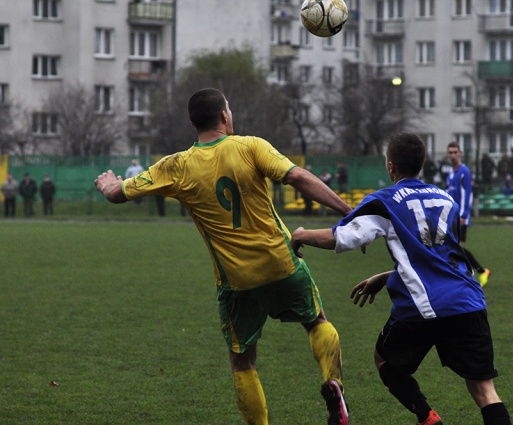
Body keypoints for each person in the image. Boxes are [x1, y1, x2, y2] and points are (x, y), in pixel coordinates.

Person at [94, 88, 352, 425]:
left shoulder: (177, 166)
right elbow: (298, 177)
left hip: (236, 281)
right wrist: (348, 211)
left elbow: (118, 193)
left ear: (193, 124)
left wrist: (107, 184)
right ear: (224, 116)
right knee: (316, 322)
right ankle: (334, 383)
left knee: (243, 362)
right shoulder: (251, 146)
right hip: (281, 262)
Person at [290, 132, 511, 425]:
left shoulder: (384, 201)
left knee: (384, 358)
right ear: (422, 164)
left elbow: (343, 237)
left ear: (390, 166)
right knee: (485, 390)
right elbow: (441, 260)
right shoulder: (445, 198)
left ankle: (427, 416)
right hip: (469, 301)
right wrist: (386, 277)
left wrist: (301, 235)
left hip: (425, 305)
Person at [446, 142, 491, 287]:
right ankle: (473, 273)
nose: (453, 155)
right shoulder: (451, 173)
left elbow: (468, 194)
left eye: (455, 152)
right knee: (454, 248)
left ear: (460, 153)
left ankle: (478, 272)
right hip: (451, 216)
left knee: (456, 248)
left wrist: (464, 215)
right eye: (450, 152)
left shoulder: (464, 172)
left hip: (460, 216)